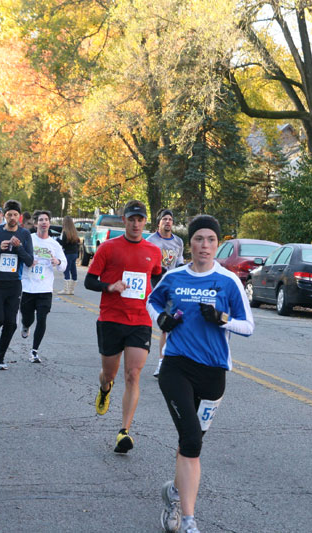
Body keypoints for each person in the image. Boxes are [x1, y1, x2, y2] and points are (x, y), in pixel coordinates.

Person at [147, 215, 254, 533]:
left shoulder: (228, 281)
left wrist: (222, 318)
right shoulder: (175, 277)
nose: (204, 245)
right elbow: (152, 302)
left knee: (191, 442)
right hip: (176, 367)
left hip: (213, 373)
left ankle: (175, 493)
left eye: (210, 239)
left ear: (217, 244)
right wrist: (161, 320)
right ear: (189, 243)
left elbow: (248, 326)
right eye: (198, 239)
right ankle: (189, 520)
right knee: (191, 440)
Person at [84, 200, 162, 453]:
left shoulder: (154, 250)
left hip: (140, 320)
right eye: (132, 219)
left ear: (145, 222)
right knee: (110, 373)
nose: (136, 224)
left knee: (133, 374)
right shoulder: (108, 247)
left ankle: (124, 431)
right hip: (111, 318)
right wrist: (110, 286)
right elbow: (89, 281)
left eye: (140, 220)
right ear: (124, 220)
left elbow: (158, 278)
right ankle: (105, 388)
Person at [0, 200, 33, 370]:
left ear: (19, 216)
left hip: (14, 284)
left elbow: (30, 261)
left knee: (11, 323)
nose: (11, 217)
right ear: (4, 215)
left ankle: (0, 358)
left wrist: (19, 248)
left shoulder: (25, 235)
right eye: (9, 214)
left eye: (15, 215)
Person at [19, 210, 66, 363]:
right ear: (36, 223)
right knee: (28, 317)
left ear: (49, 223)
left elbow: (64, 265)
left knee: (42, 318)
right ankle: (25, 325)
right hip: (28, 286)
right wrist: (28, 260)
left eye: (46, 219)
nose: (44, 222)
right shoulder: (28, 239)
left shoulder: (54, 244)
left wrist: (57, 262)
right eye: (41, 220)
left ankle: (34, 351)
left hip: (45, 288)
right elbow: (19, 254)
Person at [147, 208, 185, 377]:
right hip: (155, 286)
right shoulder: (151, 241)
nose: (168, 222)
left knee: (166, 326)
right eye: (165, 219)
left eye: (170, 219)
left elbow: (179, 263)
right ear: (159, 223)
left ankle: (163, 363)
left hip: (172, 287)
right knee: (150, 324)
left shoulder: (178, 242)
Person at [57, 216, 80, 295]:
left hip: (68, 253)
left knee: (66, 270)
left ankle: (66, 289)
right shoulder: (74, 232)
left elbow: (63, 243)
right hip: (74, 253)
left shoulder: (65, 232)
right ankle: (71, 289)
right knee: (73, 270)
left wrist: (57, 240)